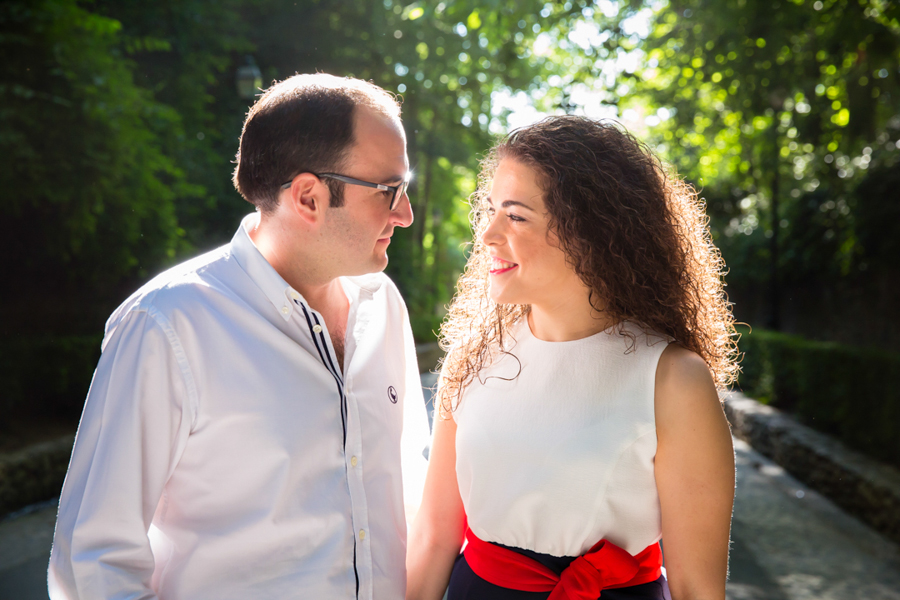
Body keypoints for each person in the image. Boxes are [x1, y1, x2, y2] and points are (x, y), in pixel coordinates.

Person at [49, 73, 430, 600]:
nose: (405, 214)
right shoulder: (167, 325)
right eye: (390, 191)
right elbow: (92, 562)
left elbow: (406, 493)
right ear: (309, 198)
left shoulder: (383, 305)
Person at [406, 116, 737, 600]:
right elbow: (434, 537)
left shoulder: (673, 379)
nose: (488, 234)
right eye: (491, 210)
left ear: (591, 232)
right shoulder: (471, 358)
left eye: (515, 215)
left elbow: (696, 589)